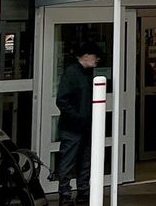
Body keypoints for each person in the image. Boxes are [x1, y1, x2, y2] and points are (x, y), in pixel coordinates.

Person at [56, 41, 100, 206]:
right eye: (95, 56)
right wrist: (79, 119)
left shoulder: (87, 74)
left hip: (84, 126)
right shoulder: (72, 73)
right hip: (73, 127)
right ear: (86, 55)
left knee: (84, 161)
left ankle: (83, 191)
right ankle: (65, 194)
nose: (97, 60)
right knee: (69, 160)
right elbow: (62, 100)